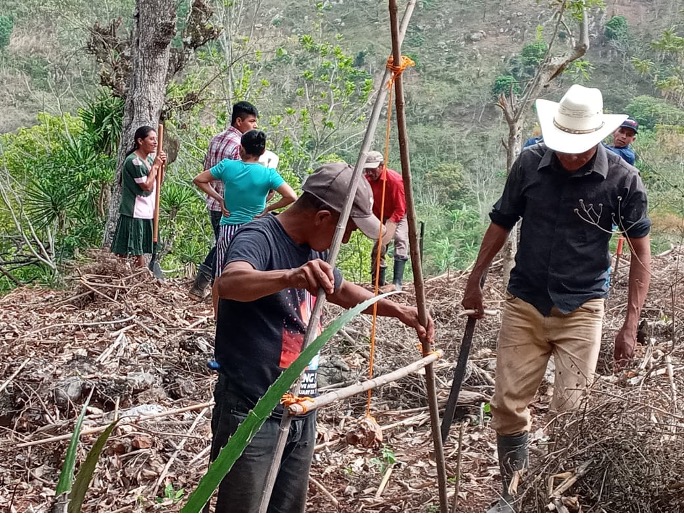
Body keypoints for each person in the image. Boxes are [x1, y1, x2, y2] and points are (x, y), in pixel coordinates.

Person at [461, 85, 651, 512]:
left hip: (582, 308)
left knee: (571, 410)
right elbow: (501, 221)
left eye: (579, 148)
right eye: (563, 145)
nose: (569, 155)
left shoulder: (622, 180)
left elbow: (641, 256)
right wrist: (475, 278)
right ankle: (511, 492)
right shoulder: (529, 164)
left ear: (597, 136)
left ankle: (556, 495)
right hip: (525, 301)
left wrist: (630, 324)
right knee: (507, 404)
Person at [209, 162, 435, 512]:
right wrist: (289, 277)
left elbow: (343, 291)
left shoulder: (315, 249)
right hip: (253, 410)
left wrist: (400, 312)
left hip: (301, 405)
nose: (345, 240)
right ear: (322, 217)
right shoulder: (260, 237)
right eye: (345, 231)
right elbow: (230, 283)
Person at [192, 129, 297, 316]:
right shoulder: (268, 174)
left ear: (241, 149)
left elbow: (199, 179)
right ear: (263, 152)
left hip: (229, 227)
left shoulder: (227, 167)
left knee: (220, 274)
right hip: (254, 230)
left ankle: (219, 318)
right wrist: (267, 209)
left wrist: (219, 199)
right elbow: (291, 196)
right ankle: (249, 316)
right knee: (253, 272)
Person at [189, 101, 259, 300]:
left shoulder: (216, 139)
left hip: (214, 201)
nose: (254, 126)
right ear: (239, 121)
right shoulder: (240, 146)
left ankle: (211, 288)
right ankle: (204, 285)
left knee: (222, 244)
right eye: (251, 121)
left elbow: (206, 169)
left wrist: (216, 196)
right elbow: (242, 177)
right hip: (231, 206)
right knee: (225, 246)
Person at [110, 125, 167, 268]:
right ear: (140, 141)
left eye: (156, 139)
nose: (155, 142)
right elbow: (146, 186)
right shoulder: (134, 162)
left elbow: (157, 182)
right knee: (133, 250)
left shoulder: (146, 161)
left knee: (138, 248)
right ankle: (130, 276)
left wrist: (161, 167)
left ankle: (130, 275)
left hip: (146, 212)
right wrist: (155, 167)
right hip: (134, 212)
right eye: (151, 139)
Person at [363, 150, 409, 291]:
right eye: (367, 169)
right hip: (380, 216)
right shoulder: (366, 180)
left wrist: (390, 226)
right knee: (379, 248)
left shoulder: (395, 181)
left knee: (400, 238)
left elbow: (400, 208)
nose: (370, 173)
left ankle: (397, 283)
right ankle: (377, 283)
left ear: (381, 166)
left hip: (398, 215)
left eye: (373, 169)